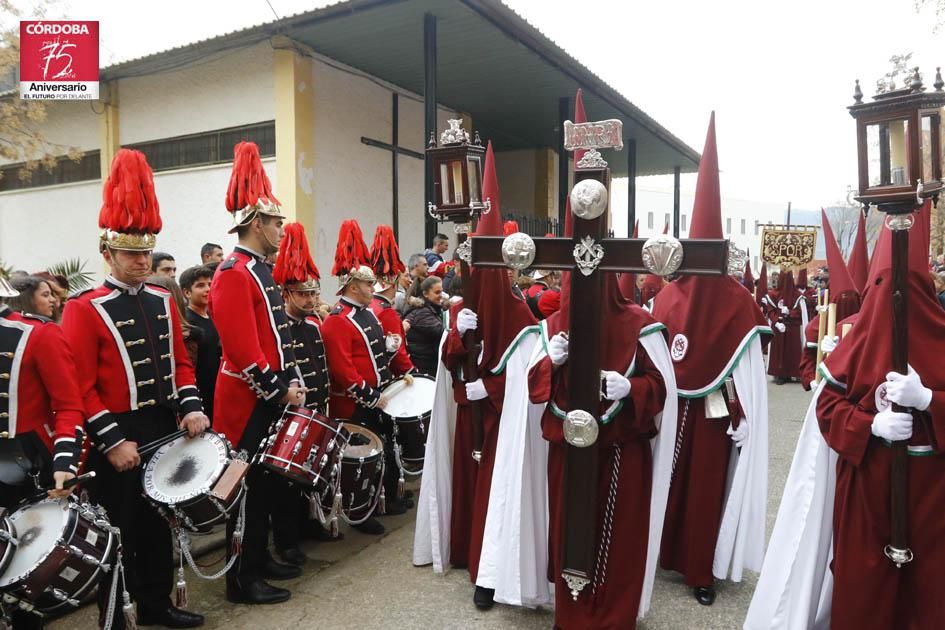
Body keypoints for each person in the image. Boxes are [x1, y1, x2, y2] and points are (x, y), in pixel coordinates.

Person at [745, 203, 944, 630]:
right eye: (886, 284)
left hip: (933, 496)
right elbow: (827, 408)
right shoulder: (855, 342)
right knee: (863, 590)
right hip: (867, 489)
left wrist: (929, 400)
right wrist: (870, 424)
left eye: (908, 285)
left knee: (929, 594)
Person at [61, 149, 209, 629]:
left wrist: (190, 407)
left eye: (146, 251)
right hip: (117, 431)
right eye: (131, 253)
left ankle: (157, 604)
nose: (142, 260)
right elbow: (78, 385)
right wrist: (111, 440)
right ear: (107, 253)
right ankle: (116, 613)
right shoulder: (85, 308)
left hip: (163, 424)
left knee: (159, 521)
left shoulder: (165, 298)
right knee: (121, 527)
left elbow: (181, 363)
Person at [651, 114, 771, 607]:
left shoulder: (739, 302)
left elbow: (748, 372)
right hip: (669, 410)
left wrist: (744, 413)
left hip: (713, 414)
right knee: (667, 482)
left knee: (704, 492)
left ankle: (702, 569)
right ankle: (660, 555)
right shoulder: (666, 298)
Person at [413, 141, 538, 610]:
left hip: (501, 418)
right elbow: (448, 363)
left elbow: (531, 374)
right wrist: (457, 337)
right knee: (466, 482)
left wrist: (495, 385)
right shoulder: (461, 308)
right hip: (469, 413)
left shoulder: (521, 315)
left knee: (496, 489)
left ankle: (492, 568)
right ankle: (466, 552)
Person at [210, 141, 304, 606]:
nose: (282, 229)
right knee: (244, 489)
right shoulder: (233, 272)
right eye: (275, 222)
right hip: (249, 401)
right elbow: (242, 349)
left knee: (263, 485)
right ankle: (240, 579)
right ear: (254, 223)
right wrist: (276, 388)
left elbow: (273, 338)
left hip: (269, 396)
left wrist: (293, 379)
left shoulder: (261, 270)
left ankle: (258, 560)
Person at [0, 275, 84, 630]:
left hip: (20, 468)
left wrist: (65, 460)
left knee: (23, 589)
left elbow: (68, 406)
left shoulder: (37, 333)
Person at [322, 220, 415, 536]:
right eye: (366, 284)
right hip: (356, 403)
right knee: (361, 460)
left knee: (381, 455)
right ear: (352, 287)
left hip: (377, 396)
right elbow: (343, 369)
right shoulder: (338, 320)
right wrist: (371, 396)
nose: (372, 288)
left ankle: (377, 502)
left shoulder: (367, 314)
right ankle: (358, 511)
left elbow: (375, 356)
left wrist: (392, 355)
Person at [270, 222, 334, 565]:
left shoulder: (313, 323)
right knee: (286, 483)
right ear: (287, 294)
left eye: (313, 293)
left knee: (312, 474)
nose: (310, 299)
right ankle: (286, 540)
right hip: (290, 413)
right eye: (302, 294)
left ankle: (309, 523)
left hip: (317, 408)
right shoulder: (279, 326)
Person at [799, 210, 861, 390]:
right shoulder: (816, 327)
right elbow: (808, 359)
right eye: (842, 299)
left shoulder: (865, 324)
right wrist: (812, 380)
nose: (847, 302)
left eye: (851, 298)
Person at [179, 265, 221, 420]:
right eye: (201, 286)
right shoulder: (188, 324)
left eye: (210, 284)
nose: (208, 289)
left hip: (218, 393)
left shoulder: (213, 316)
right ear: (187, 292)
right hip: (200, 398)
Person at [765, 270, 805, 384]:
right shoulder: (773, 294)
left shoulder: (797, 295)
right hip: (779, 327)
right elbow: (770, 310)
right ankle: (780, 374)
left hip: (793, 326)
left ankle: (792, 372)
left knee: (792, 350)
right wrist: (776, 322)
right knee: (779, 350)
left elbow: (800, 312)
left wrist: (790, 312)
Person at [404, 277, 446, 376]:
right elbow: (441, 332)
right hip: (424, 367)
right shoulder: (422, 313)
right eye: (437, 292)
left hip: (427, 363)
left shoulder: (430, 309)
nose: (441, 296)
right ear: (425, 294)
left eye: (442, 292)